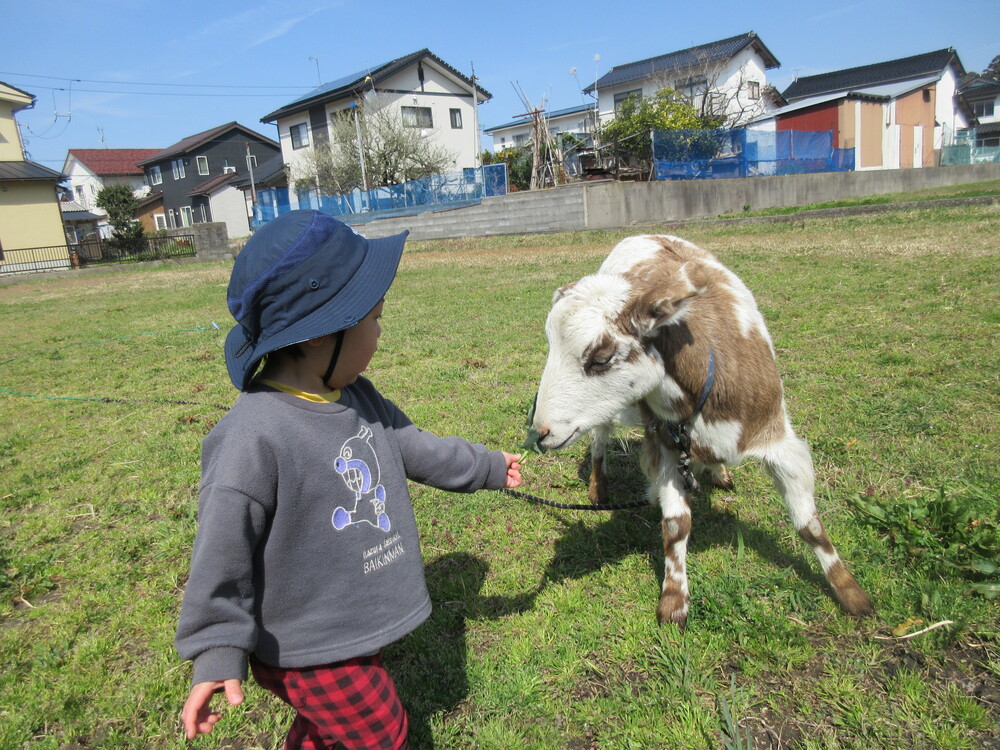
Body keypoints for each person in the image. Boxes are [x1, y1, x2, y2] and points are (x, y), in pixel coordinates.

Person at [175, 210, 523, 749]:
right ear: (319, 336)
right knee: (382, 734)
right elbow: (221, 550)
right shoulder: (253, 436)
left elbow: (419, 448)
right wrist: (217, 647)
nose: (380, 334)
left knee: (329, 732)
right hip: (307, 642)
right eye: (374, 319)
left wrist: (487, 467)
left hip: (350, 625)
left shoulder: (358, 398)